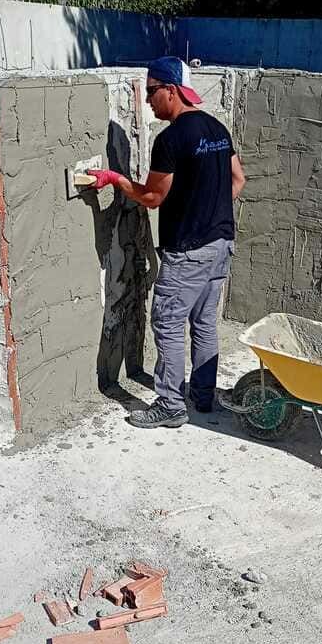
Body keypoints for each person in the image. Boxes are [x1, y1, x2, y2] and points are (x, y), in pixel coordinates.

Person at [89, 56, 245, 429]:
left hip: (189, 251)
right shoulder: (216, 129)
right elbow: (237, 180)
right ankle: (203, 396)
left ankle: (171, 405)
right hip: (220, 243)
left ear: (171, 91)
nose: (147, 101)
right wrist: (208, 208)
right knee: (204, 323)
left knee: (169, 323)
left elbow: (153, 198)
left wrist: (115, 179)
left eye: (152, 92)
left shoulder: (171, 138)